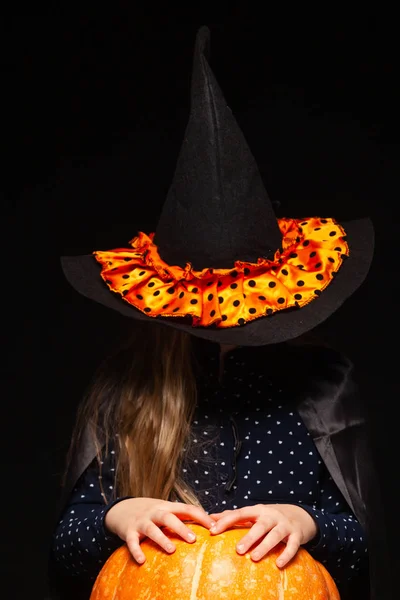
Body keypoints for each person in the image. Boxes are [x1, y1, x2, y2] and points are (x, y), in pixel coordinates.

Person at [48, 26, 385, 600]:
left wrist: (308, 523)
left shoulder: (322, 386)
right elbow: (68, 546)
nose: (234, 329)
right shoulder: (126, 392)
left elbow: (357, 544)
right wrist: (119, 514)